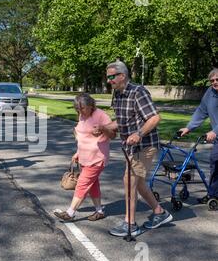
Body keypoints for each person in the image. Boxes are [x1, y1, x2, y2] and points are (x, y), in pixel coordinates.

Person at [102, 61, 173, 237]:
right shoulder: (117, 94)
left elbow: (155, 118)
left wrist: (139, 134)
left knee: (129, 180)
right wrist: (104, 128)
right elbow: (122, 121)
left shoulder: (138, 92)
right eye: (107, 77)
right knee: (139, 184)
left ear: (122, 75)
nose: (109, 80)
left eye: (112, 76)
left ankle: (130, 224)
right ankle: (159, 212)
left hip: (144, 144)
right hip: (130, 147)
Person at [54, 93, 116, 222]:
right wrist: (78, 152)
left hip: (97, 157)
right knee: (93, 185)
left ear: (90, 105)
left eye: (82, 108)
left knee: (82, 184)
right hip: (84, 157)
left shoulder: (101, 115)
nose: (80, 111)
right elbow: (82, 137)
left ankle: (70, 213)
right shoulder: (81, 115)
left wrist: (103, 128)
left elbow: (113, 135)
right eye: (77, 109)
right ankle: (99, 211)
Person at [179, 68, 218, 204]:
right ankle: (213, 195)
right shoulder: (210, 93)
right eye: (212, 80)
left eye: (217, 79)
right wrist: (189, 127)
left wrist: (215, 132)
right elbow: (201, 111)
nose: (214, 82)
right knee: (215, 163)